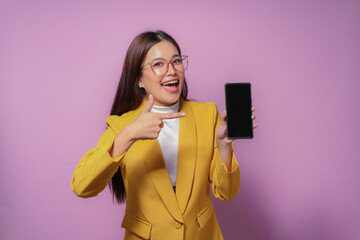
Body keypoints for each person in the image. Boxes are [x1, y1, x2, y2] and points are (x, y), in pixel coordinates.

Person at [71, 30, 257, 240]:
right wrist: (129, 135)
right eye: (158, 64)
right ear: (139, 79)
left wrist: (223, 145)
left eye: (176, 61)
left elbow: (227, 192)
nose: (172, 71)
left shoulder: (207, 114)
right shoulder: (121, 125)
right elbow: (82, 186)